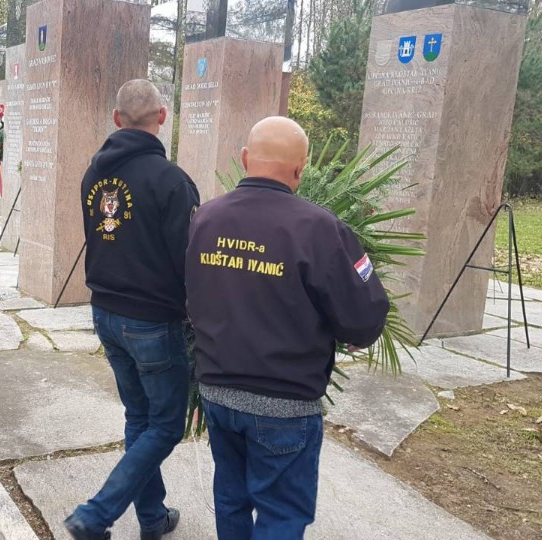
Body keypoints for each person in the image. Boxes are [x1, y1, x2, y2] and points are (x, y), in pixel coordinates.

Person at [185, 117, 391, 539]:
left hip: (217, 392)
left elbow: (189, 293)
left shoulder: (205, 218)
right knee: (281, 515)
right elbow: (364, 315)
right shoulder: (320, 228)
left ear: (246, 159)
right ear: (301, 168)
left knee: (231, 499)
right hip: (285, 403)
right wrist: (353, 334)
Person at [65, 79, 200, 540]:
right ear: (162, 117)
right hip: (152, 322)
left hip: (105, 313)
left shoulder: (93, 175)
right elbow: (188, 259)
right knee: (165, 426)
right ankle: (95, 514)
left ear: (117, 119)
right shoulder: (172, 181)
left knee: (139, 419)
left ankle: (152, 518)